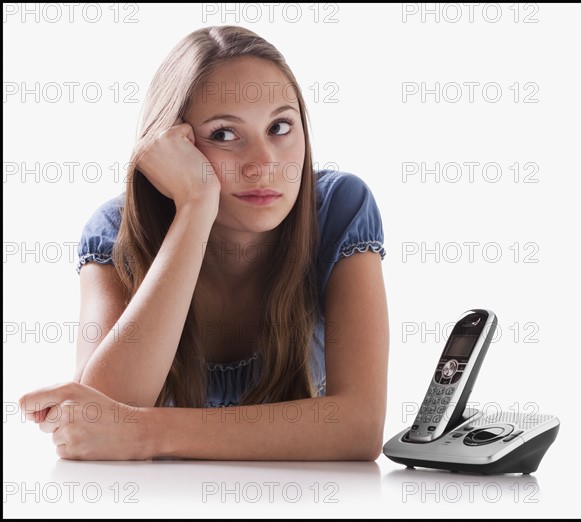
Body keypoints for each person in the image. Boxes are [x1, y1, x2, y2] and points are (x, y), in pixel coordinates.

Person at [19, 25, 389, 461]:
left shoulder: (339, 210)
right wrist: (194, 207)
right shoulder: (116, 229)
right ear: (173, 147)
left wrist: (145, 433)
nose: (265, 164)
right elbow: (100, 413)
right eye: (224, 135)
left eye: (280, 126)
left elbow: (359, 428)